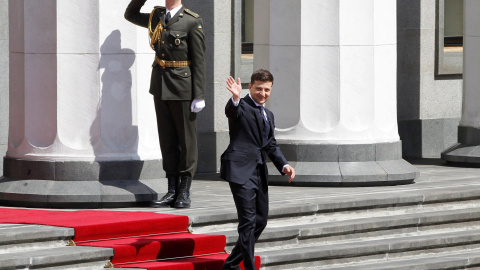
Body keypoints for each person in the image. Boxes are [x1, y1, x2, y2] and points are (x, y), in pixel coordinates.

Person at [124, 0, 206, 208]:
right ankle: (171, 189)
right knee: (167, 139)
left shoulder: (191, 21)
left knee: (186, 141)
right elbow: (130, 14)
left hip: (183, 88)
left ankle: (184, 191)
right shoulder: (156, 17)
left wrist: (199, 95)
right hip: (161, 86)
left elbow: (199, 60)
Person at [221, 69, 295, 270]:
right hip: (239, 170)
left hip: (259, 172)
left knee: (260, 220)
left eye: (267, 90)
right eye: (259, 89)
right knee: (247, 222)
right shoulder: (241, 106)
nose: (263, 93)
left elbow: (270, 144)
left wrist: (284, 165)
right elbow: (232, 112)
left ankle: (231, 264)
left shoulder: (268, 115)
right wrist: (235, 98)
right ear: (250, 87)